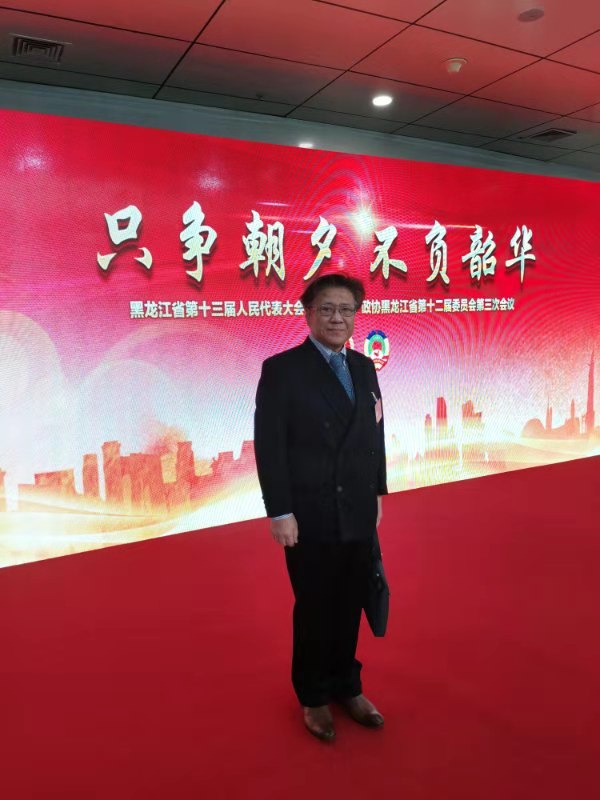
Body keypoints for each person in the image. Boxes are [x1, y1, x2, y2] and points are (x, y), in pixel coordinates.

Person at [254, 273, 388, 742]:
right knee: (315, 606)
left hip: (357, 508)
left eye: (346, 310)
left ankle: (347, 686)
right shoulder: (283, 369)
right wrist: (279, 511)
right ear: (308, 313)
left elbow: (374, 435)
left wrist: (376, 493)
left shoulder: (364, 367)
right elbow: (270, 446)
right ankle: (313, 696)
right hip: (309, 512)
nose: (337, 318)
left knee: (351, 600)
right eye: (327, 309)